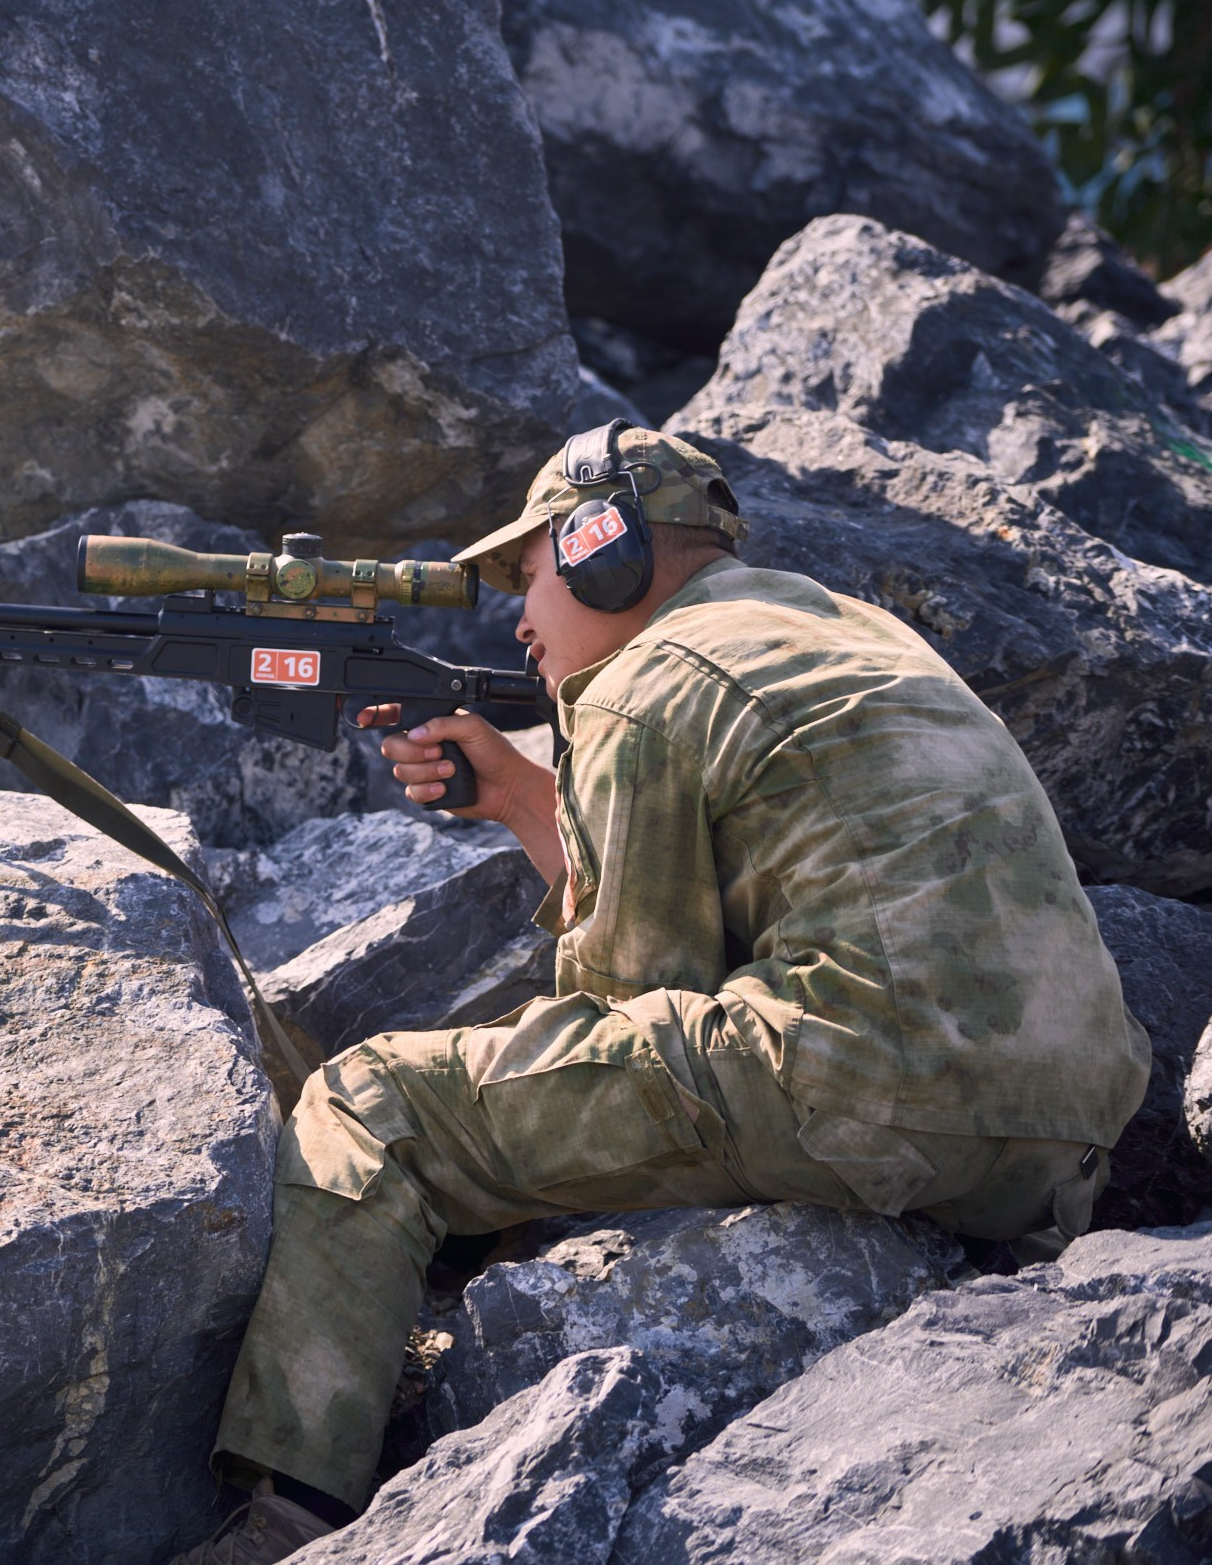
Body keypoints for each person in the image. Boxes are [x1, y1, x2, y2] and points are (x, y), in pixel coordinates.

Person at [173, 421, 1151, 1564]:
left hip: (862, 1086)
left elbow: (625, 1008)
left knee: (368, 1103)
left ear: (606, 553)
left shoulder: (642, 686)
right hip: (1062, 1136)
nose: (519, 622)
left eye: (529, 577)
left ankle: (288, 1511)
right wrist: (529, 801)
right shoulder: (839, 629)